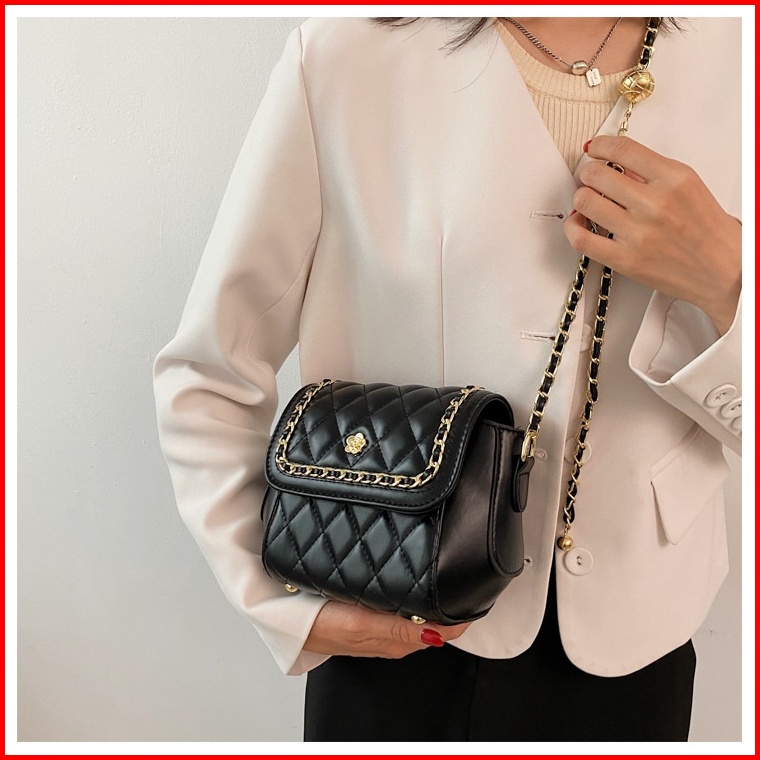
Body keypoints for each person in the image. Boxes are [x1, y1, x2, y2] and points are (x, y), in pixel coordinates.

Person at [152, 16, 742, 741]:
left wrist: (731, 280)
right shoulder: (346, 55)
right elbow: (209, 370)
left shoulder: (735, 53)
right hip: (391, 605)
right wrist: (279, 598)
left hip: (640, 637)